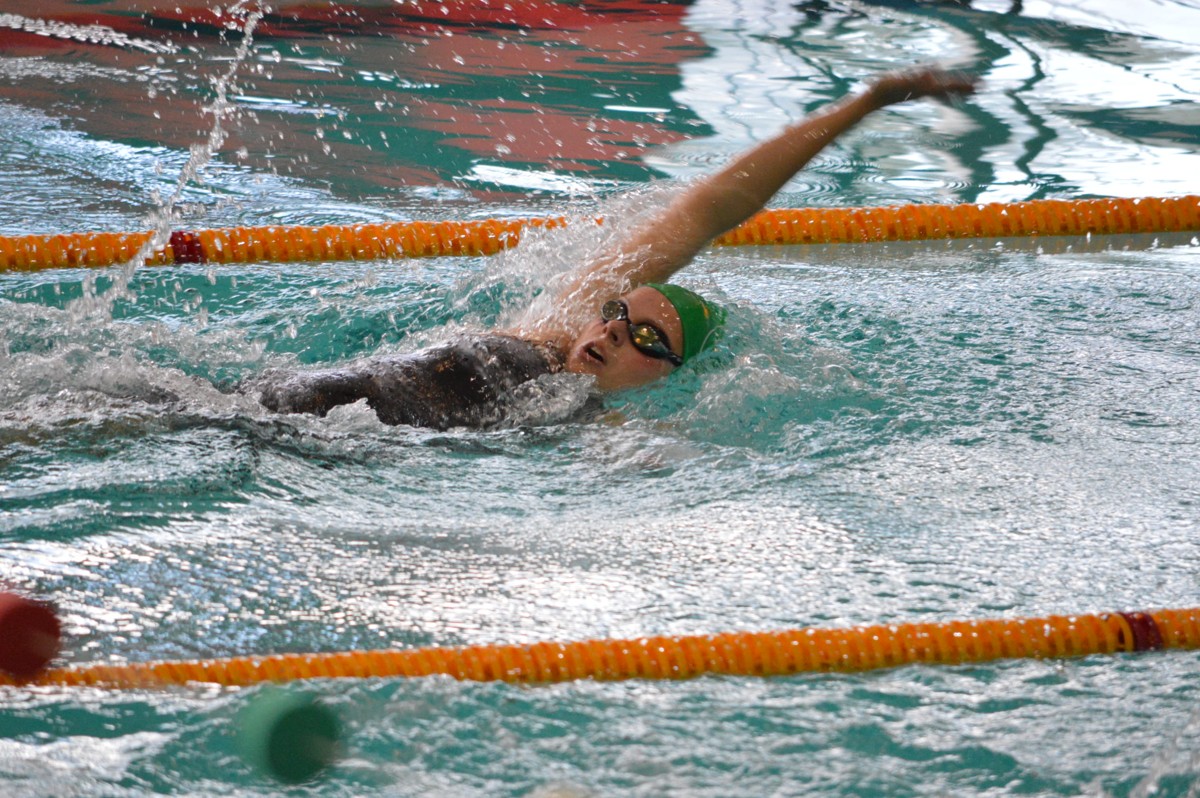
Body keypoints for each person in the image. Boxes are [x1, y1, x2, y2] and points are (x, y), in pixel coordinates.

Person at [251, 66, 978, 429]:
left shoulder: (599, 425)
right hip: (288, 400)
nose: (610, 333)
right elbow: (711, 209)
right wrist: (866, 101)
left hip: (325, 446)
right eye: (618, 314)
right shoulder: (553, 328)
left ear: (674, 376)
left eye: (646, 339)